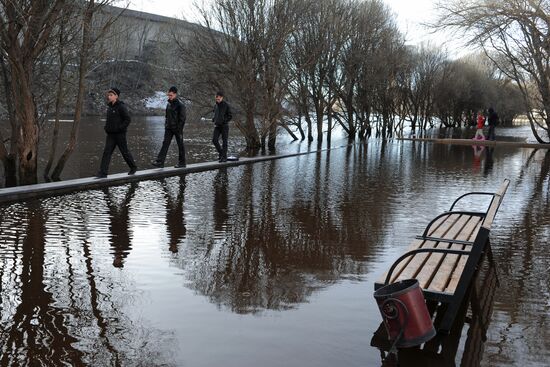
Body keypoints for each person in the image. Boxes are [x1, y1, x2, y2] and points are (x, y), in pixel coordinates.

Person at [96, 87, 137, 178]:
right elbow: (109, 120)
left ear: (116, 96)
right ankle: (103, 173)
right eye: (108, 95)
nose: (109, 97)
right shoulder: (110, 107)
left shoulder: (121, 106)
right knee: (107, 152)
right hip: (110, 134)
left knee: (124, 152)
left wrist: (120, 128)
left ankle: (133, 167)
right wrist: (106, 128)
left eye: (111, 95)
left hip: (120, 134)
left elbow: (127, 119)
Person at [151, 86, 187, 168]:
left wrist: (179, 129)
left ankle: (182, 163)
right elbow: (167, 116)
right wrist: (166, 125)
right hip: (169, 128)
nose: (169, 97)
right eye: (169, 95)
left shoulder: (180, 105)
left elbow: (183, 119)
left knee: (180, 145)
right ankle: (160, 162)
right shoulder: (168, 104)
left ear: (175, 94)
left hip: (177, 129)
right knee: (165, 144)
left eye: (171, 95)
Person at [212, 91, 232, 162]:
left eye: (218, 99)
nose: (217, 100)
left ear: (222, 98)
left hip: (224, 126)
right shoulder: (215, 105)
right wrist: (214, 119)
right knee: (214, 140)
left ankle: (224, 157)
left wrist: (224, 121)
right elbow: (215, 114)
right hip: (217, 126)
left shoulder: (226, 105)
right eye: (216, 99)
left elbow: (230, 116)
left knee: (225, 142)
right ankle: (221, 153)